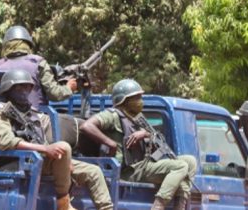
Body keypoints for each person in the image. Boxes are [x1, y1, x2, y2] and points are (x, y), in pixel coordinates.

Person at [0, 69, 113, 210]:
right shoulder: (0, 110)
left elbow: (42, 141)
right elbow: (6, 142)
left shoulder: (30, 112)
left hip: (39, 159)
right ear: (8, 88)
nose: (24, 90)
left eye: (27, 87)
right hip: (16, 161)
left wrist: (64, 162)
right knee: (64, 147)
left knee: (94, 172)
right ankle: (63, 202)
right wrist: (46, 149)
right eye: (19, 87)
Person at [80, 79, 196, 210]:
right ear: (124, 100)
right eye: (136, 97)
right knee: (180, 166)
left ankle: (179, 206)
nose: (140, 101)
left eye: (140, 97)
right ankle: (158, 206)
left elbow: (158, 139)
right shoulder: (112, 115)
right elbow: (86, 126)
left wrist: (145, 134)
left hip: (144, 164)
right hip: (130, 170)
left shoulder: (138, 118)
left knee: (190, 161)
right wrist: (110, 143)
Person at [0, 25, 77, 107]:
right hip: (35, 119)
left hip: (2, 119)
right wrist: (69, 88)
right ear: (28, 44)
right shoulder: (38, 63)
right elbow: (54, 94)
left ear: (6, 46)